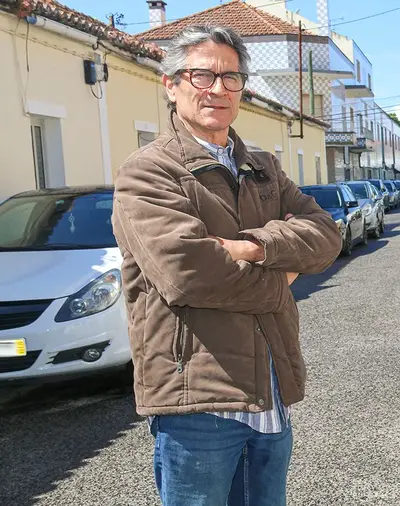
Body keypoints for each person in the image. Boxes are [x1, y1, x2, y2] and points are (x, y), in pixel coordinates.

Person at [111, 25, 342, 505]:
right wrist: (282, 272)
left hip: (271, 395)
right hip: (198, 403)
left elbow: (325, 237)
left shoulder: (263, 166)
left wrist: (253, 247)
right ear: (171, 85)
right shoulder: (147, 171)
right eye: (201, 75)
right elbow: (189, 273)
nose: (217, 89)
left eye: (230, 77)